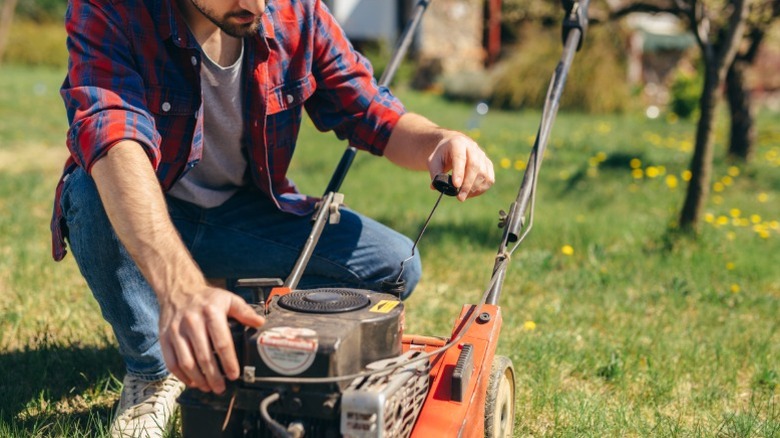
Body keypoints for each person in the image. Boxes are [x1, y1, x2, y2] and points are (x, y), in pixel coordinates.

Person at [52, 0, 494, 436]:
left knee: (394, 267)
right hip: (145, 206)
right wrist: (180, 291)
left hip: (241, 217)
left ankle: (235, 317)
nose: (253, 4)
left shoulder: (295, 11)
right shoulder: (110, 10)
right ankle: (153, 368)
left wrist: (439, 141)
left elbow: (370, 111)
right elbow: (114, 139)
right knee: (91, 192)